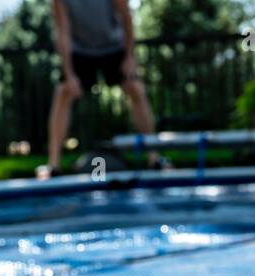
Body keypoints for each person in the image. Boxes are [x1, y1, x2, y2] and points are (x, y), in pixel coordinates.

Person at [41, 0, 165, 177]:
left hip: (114, 45)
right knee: (63, 92)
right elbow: (62, 31)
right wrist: (69, 74)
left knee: (135, 88)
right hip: (80, 50)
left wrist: (130, 57)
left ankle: (154, 157)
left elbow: (126, 17)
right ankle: (53, 164)